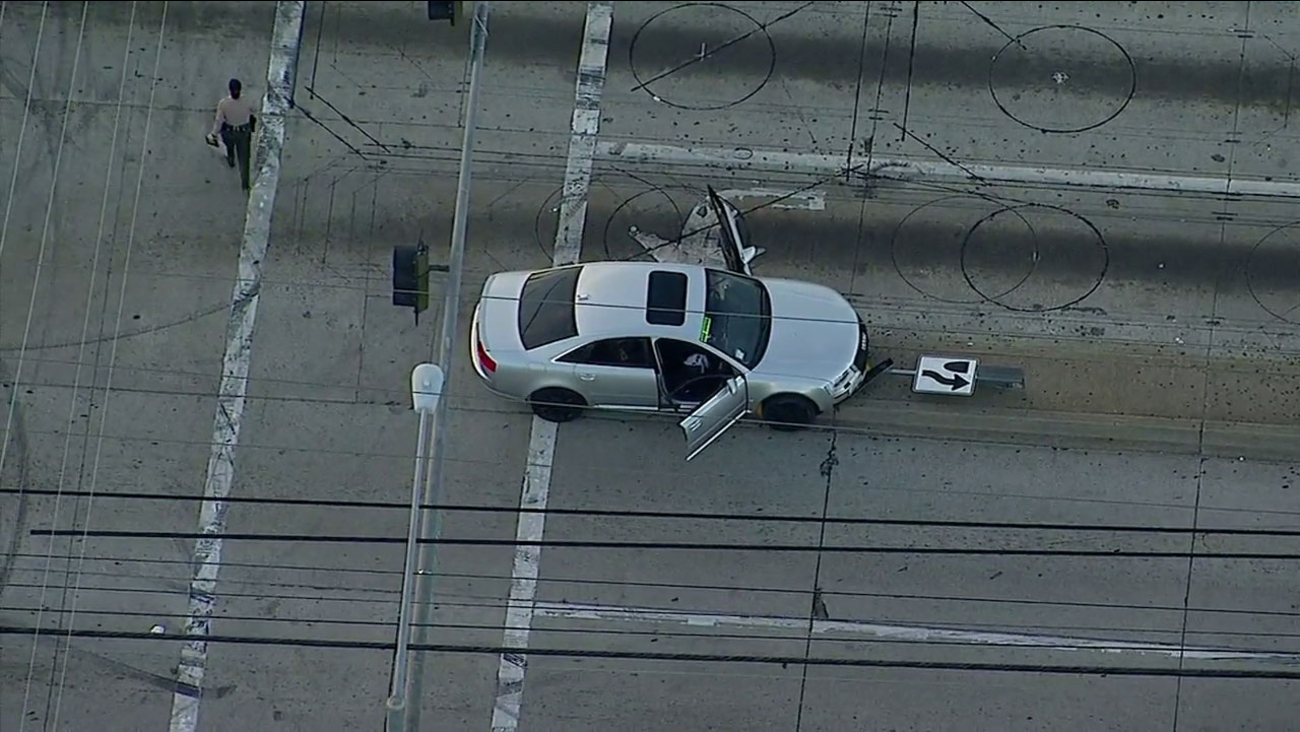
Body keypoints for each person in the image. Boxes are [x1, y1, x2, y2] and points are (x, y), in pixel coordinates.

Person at [206, 78, 256, 191]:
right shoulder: (247, 100)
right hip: (244, 132)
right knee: (244, 159)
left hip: (230, 131)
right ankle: (245, 184)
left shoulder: (224, 103)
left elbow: (219, 120)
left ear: (230, 90)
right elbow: (253, 111)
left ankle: (231, 160)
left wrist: (214, 133)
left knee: (229, 147)